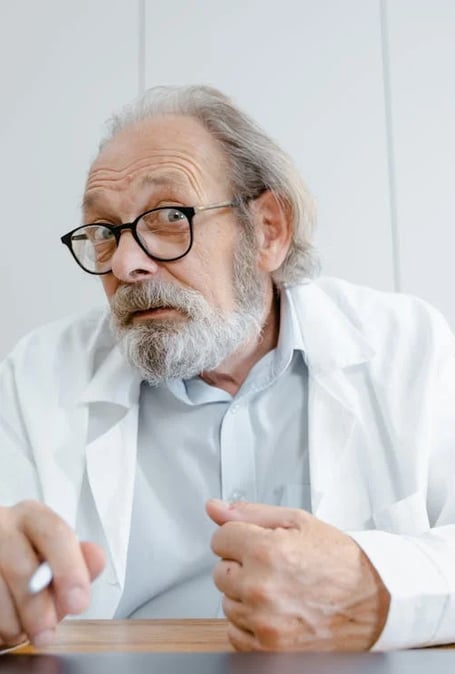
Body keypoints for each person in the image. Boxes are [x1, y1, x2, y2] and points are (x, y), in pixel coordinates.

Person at [1, 85, 455, 653]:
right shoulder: (37, 375)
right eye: (103, 231)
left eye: (168, 217)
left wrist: (375, 585)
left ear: (267, 230)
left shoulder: (408, 346)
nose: (124, 262)